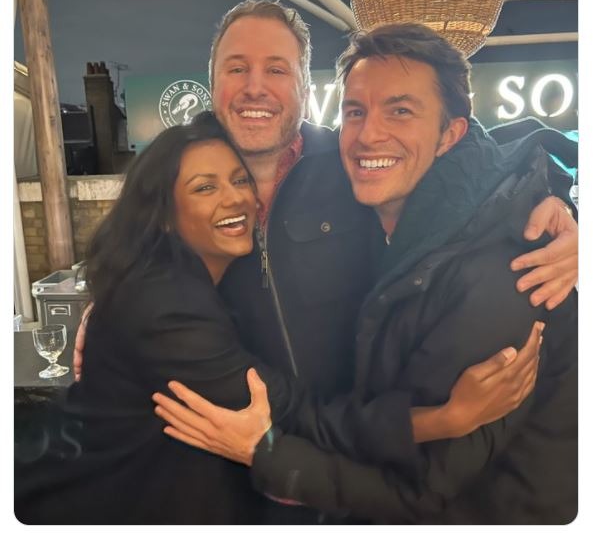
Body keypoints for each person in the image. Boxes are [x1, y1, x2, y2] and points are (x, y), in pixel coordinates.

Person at [74, 0, 578, 521]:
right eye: (236, 68)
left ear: (304, 87)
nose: (254, 87)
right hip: (243, 477)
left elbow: (480, 161)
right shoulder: (184, 173)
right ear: (213, 82)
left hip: (356, 470)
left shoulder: (351, 164)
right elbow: (144, 242)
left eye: (277, 69)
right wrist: (114, 304)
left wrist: (551, 204)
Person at [15, 112, 543, 525]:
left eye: (239, 180)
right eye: (204, 187)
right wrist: (442, 419)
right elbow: (291, 412)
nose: (236, 198)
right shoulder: (164, 305)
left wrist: (546, 203)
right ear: (164, 216)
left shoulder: (191, 277)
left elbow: (486, 161)